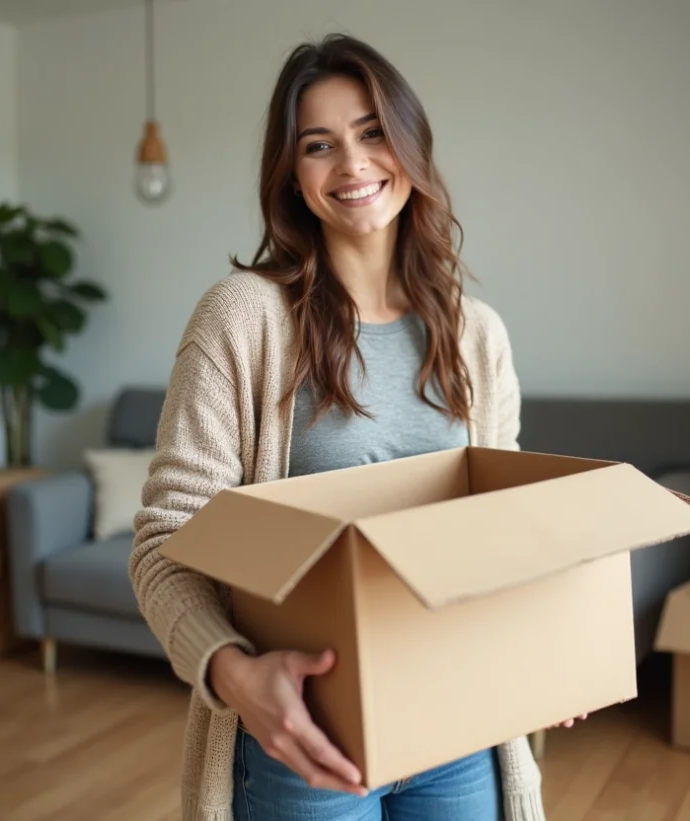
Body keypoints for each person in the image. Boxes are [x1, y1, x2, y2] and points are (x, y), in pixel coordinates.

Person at [129, 33, 579, 821]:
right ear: (293, 178)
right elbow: (167, 541)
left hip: (460, 729)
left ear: (410, 146)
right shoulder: (242, 321)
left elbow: (503, 532)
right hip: (304, 741)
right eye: (319, 145)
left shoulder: (477, 334)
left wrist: (541, 653)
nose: (353, 164)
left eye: (373, 132)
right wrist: (236, 674)